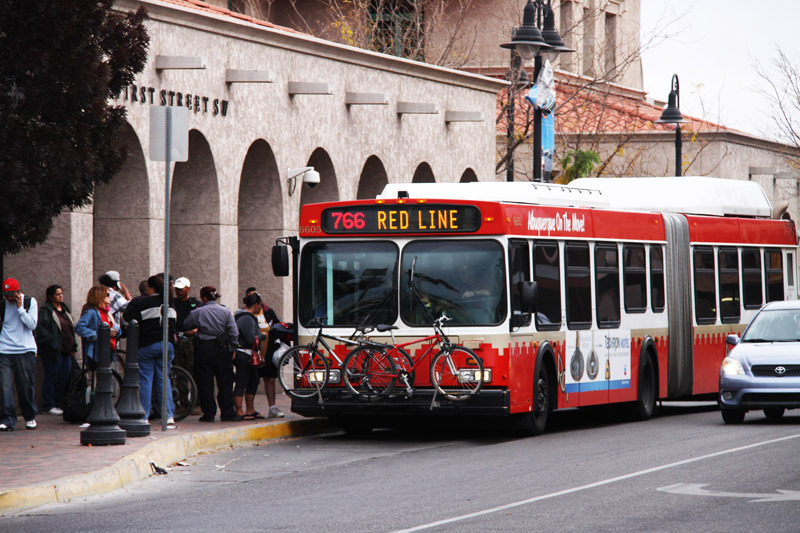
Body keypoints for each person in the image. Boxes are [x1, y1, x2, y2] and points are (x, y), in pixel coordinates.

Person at [123, 274, 176, 424]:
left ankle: (144, 416)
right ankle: (169, 416)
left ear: (152, 288)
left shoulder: (142, 302)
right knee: (163, 379)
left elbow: (128, 318)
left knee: (146, 379)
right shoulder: (170, 303)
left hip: (147, 344)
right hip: (167, 344)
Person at [183, 286, 240, 422]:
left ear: (204, 298)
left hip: (204, 349)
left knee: (205, 382)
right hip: (222, 348)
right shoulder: (226, 312)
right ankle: (227, 413)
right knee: (225, 382)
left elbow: (186, 324)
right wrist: (233, 348)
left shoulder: (198, 312)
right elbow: (234, 332)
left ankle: (209, 413)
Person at [0, 278, 39, 431]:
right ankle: (7, 419)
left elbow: (32, 325)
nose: (8, 298)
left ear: (18, 292)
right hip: (4, 350)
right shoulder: (2, 305)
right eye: (6, 295)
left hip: (25, 350)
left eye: (11, 294)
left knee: (25, 386)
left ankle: (29, 416)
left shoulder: (30, 302)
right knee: (5, 386)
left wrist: (20, 308)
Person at [35, 285, 77, 416]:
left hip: (66, 350)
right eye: (57, 294)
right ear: (51, 296)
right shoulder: (46, 311)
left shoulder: (65, 309)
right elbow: (42, 332)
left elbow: (71, 330)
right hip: (53, 351)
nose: (61, 296)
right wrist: (53, 344)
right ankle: (49, 405)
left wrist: (74, 346)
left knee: (64, 377)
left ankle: (58, 403)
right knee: (52, 376)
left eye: (61, 293)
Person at [245, 287, 284, 419]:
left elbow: (277, 326)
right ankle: (249, 408)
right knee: (251, 380)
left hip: (268, 351)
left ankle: (272, 407)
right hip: (252, 352)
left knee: (270, 378)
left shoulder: (268, 312)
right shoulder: (245, 315)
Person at [233, 293, 267, 419]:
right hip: (243, 355)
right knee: (242, 381)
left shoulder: (245, 316)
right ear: (256, 305)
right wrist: (262, 336)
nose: (261, 308)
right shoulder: (246, 318)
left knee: (253, 380)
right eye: (260, 305)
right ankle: (239, 410)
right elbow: (250, 338)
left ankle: (250, 409)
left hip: (248, 355)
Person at [75, 285, 122, 369]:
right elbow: (79, 327)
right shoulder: (91, 312)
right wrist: (96, 335)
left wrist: (116, 330)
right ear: (99, 296)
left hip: (109, 349)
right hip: (97, 350)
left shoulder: (107, 313)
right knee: (97, 377)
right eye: (107, 295)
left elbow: (116, 326)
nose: (110, 297)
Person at [173, 277, 200, 375]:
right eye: (176, 289)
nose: (178, 292)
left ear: (188, 288)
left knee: (192, 368)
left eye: (181, 289)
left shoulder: (195, 304)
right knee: (178, 368)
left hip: (191, 340)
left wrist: (196, 330)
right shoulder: (172, 303)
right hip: (176, 338)